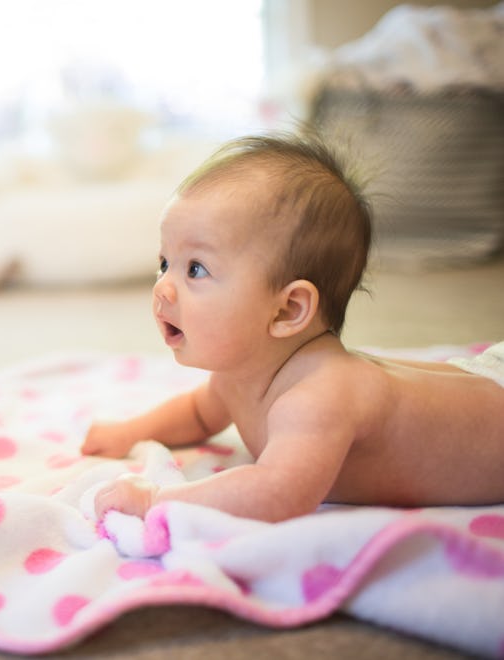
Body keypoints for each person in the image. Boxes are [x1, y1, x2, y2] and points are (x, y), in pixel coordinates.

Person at [80, 133, 504, 523]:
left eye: (195, 269)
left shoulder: (319, 397)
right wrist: (129, 433)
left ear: (287, 311)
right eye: (164, 263)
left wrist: (155, 502)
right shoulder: (238, 376)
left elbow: (276, 493)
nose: (163, 289)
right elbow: (196, 414)